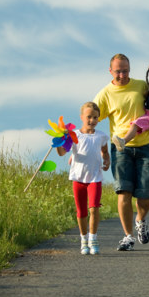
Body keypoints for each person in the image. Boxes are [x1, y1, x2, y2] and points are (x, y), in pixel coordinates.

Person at [94, 53, 149, 251]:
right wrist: (95, 147)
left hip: (146, 145)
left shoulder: (142, 86)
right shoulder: (104, 94)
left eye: (125, 71)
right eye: (118, 71)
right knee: (123, 192)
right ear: (110, 71)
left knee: (146, 193)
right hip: (121, 148)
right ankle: (128, 236)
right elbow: (91, 119)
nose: (122, 75)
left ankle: (140, 220)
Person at [56, 102, 110, 255]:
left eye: (95, 117)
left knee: (94, 208)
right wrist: (60, 139)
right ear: (81, 117)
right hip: (78, 178)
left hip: (94, 178)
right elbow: (61, 153)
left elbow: (105, 152)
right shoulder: (75, 136)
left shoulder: (101, 136)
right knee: (81, 211)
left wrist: (107, 160)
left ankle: (93, 239)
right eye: (89, 117)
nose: (92, 120)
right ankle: (83, 239)